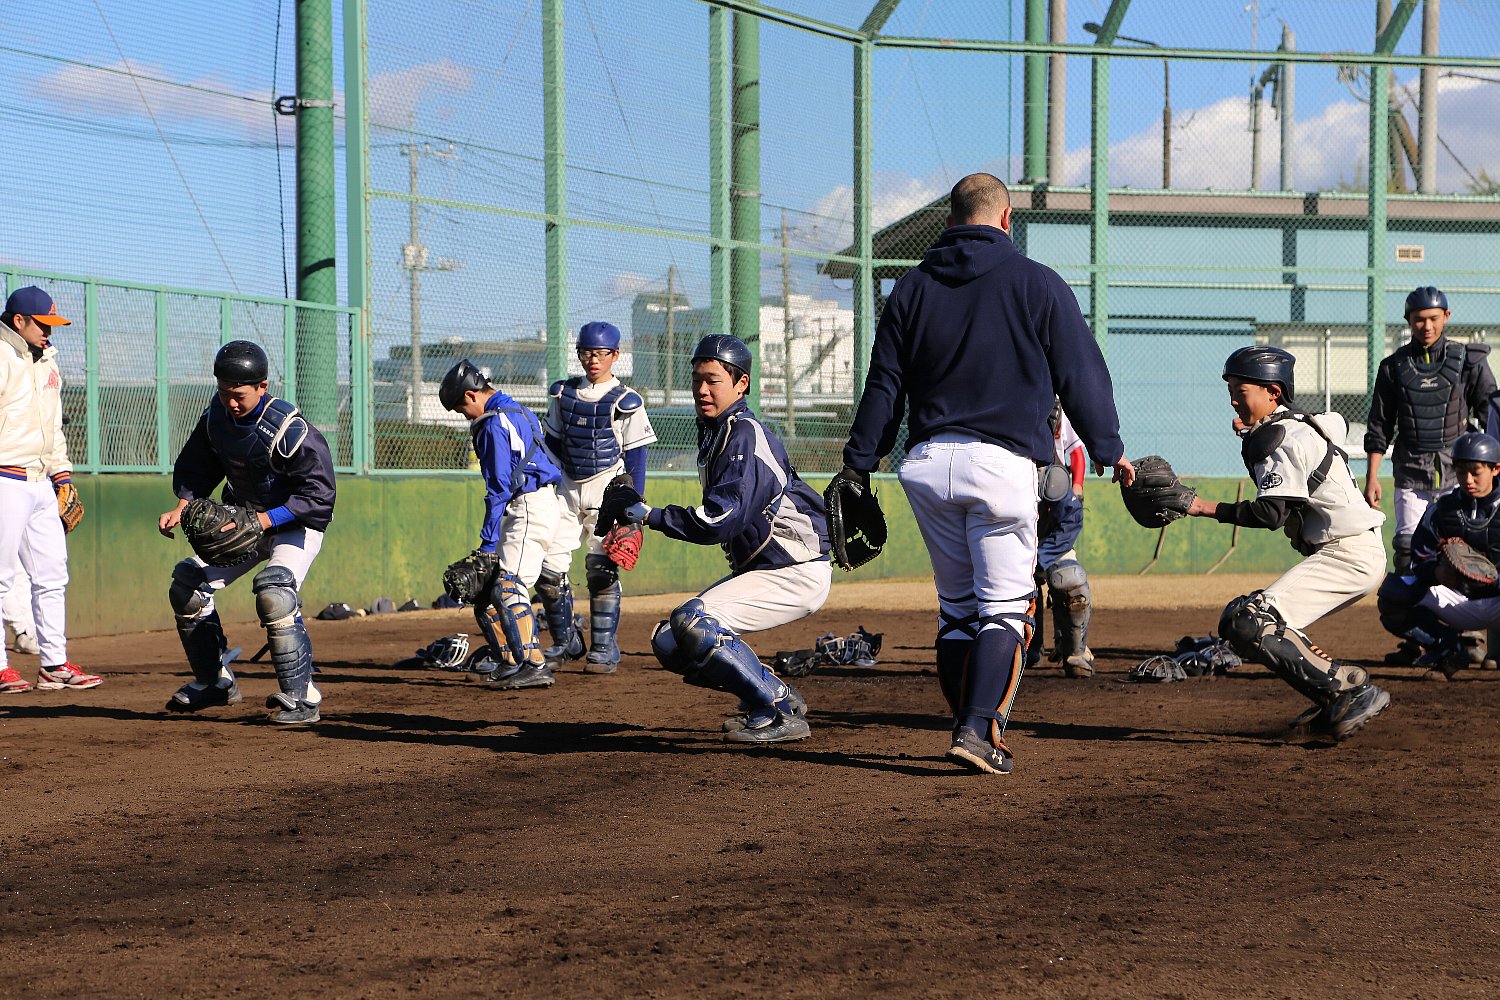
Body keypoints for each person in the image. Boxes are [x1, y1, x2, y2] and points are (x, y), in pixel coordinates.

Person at [837, 173, 1132, 776]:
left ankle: (966, 722)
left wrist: (858, 464)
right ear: (1006, 220)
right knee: (1006, 609)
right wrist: (1108, 445)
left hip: (924, 466)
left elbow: (884, 386)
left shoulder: (911, 289)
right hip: (1000, 466)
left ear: (950, 221)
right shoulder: (1037, 283)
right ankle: (977, 731)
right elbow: (1081, 372)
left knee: (957, 610)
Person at [597, 334, 826, 744]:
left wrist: (645, 514)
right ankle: (780, 699)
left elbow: (719, 521)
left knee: (694, 622)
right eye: (698, 379)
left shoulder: (744, 435)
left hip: (795, 568)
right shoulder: (717, 432)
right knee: (670, 642)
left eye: (713, 380)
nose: (702, 389)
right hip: (769, 568)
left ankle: (775, 712)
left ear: (742, 385)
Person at [1185, 346, 1390, 739]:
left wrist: (1204, 507)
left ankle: (1348, 691)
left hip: (1348, 553)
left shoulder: (1283, 436)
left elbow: (1269, 515)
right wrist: (1256, 433)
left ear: (1273, 392)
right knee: (1244, 623)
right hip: (1351, 551)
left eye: (1241, 391)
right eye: (1230, 389)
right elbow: (1333, 429)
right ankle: (1338, 696)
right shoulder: (1300, 425)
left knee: (1251, 622)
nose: (1232, 399)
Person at [158, 340, 335, 723]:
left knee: (274, 593)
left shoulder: (291, 430)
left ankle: (302, 698)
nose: (230, 402)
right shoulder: (216, 419)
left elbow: (319, 497)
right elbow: (197, 465)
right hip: (244, 518)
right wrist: (182, 505)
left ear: (262, 386)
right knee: (186, 586)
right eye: (223, 393)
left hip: (293, 525)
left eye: (238, 395)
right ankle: (214, 683)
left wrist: (263, 521)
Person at [535, 321, 656, 674]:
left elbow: (636, 455)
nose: (593, 360)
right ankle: (565, 640)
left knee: (600, 569)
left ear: (615, 355)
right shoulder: (563, 394)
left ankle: (604, 648)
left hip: (608, 488)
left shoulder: (627, 400)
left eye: (601, 353)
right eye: (587, 353)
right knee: (548, 569)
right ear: (579, 354)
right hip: (568, 487)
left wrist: (633, 501)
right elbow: (553, 445)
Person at [439, 358, 564, 691]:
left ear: (470, 395)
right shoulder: (520, 410)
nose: (462, 415)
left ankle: (534, 664)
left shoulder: (494, 423)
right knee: (488, 594)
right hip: (537, 504)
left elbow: (499, 488)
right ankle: (510, 661)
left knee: (507, 587)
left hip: (529, 507)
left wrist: (487, 543)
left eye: (459, 407)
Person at [0, 286, 101, 695]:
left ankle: (54, 664)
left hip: (41, 482)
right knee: (1, 578)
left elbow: (54, 428)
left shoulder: (47, 361)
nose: (50, 333)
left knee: (52, 575)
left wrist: (63, 476)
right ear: (19, 320)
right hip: (4, 477)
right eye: (44, 325)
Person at [1365, 287, 1493, 575]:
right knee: (1408, 551)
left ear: (1446, 316)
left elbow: (1490, 414)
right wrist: (1372, 477)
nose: (1427, 326)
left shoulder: (1468, 362)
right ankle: (1417, 619)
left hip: (1460, 475)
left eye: (1434, 318)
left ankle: (1463, 614)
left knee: (1467, 553)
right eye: (1419, 319)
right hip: (1411, 473)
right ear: (1408, 320)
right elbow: (1379, 424)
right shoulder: (1392, 367)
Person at [1377, 431, 1500, 681]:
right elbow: (1419, 559)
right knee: (1393, 595)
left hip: (1498, 599)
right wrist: (1436, 572)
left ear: (1496, 469)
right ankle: (1448, 649)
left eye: (1475, 471)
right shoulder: (1442, 510)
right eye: (1461, 470)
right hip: (1455, 597)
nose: (1468, 479)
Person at [1028, 400, 1095, 678]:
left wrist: (1076, 487)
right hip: (1009, 507)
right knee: (1015, 584)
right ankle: (1023, 649)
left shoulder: (1055, 404)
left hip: (1054, 503)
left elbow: (1076, 449)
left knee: (1069, 580)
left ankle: (1073, 651)